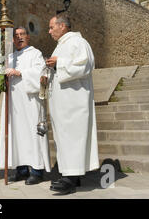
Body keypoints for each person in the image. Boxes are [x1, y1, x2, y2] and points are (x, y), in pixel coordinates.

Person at [46, 14, 99, 195]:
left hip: (74, 102)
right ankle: (71, 175)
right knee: (65, 138)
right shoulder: (61, 46)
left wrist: (59, 62)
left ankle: (70, 178)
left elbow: (86, 66)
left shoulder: (78, 42)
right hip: (62, 102)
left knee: (73, 137)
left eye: (52, 27)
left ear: (62, 26)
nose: (49, 31)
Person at [0, 27, 51, 185]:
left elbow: (42, 73)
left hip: (30, 102)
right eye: (16, 36)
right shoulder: (10, 57)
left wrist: (20, 73)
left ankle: (36, 170)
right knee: (16, 134)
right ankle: (21, 170)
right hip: (14, 102)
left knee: (33, 134)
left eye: (22, 34)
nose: (19, 38)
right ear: (13, 40)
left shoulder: (35, 53)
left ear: (28, 37)